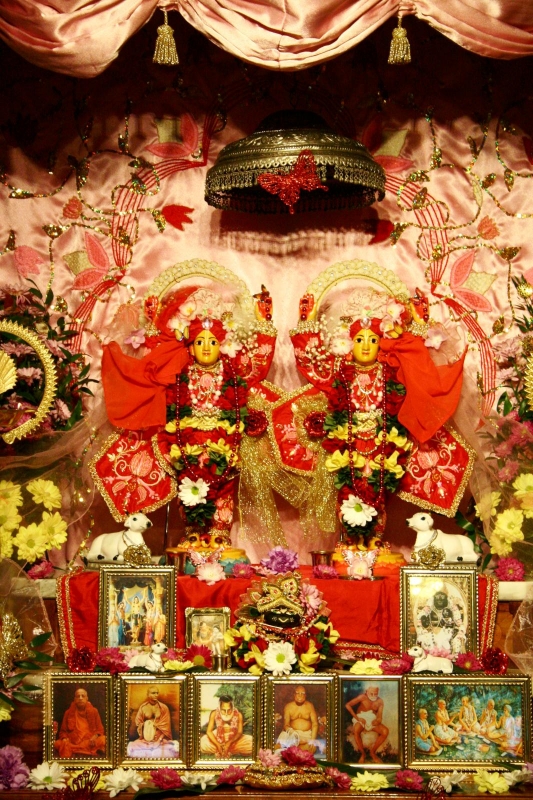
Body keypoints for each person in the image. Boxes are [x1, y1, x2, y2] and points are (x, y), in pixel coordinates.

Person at [100, 285, 277, 539]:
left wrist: (264, 323)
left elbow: (257, 364)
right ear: (190, 348)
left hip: (224, 444)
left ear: (222, 346)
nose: (206, 347)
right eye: (199, 342)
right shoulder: (179, 371)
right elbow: (154, 365)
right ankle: (192, 534)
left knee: (223, 488)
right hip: (187, 444)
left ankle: (220, 536)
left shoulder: (233, 374)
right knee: (189, 487)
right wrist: (153, 323)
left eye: (212, 342)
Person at [291, 287, 465, 546]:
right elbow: (312, 364)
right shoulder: (341, 371)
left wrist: (419, 325)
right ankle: (349, 543)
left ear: (381, 344)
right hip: (348, 444)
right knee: (347, 491)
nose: (365, 346)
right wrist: (306, 323)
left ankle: (375, 542)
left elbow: (418, 368)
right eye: (359, 340)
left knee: (379, 492)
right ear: (349, 343)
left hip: (382, 445)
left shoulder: (391, 370)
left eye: (372, 340)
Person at [54, 687, 106, 759]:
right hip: (72, 742)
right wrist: (65, 738)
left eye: (83, 696)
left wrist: (95, 737)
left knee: (104, 739)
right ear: (75, 699)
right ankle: (80, 749)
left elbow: (100, 729)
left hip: (89, 741)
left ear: (87, 698)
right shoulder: (68, 712)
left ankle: (77, 749)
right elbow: (63, 731)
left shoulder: (94, 711)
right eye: (78, 696)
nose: (80, 698)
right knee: (58, 743)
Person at [127, 687, 179, 758]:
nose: (156, 695)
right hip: (146, 738)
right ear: (148, 694)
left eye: (157, 693)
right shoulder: (143, 707)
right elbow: (138, 722)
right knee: (134, 748)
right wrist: (147, 726)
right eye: (153, 693)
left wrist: (159, 736)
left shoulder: (163, 708)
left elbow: (166, 726)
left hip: (161, 738)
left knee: (168, 751)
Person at [345, 684, 389, 764]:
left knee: (385, 731)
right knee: (356, 730)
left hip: (372, 719)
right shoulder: (362, 697)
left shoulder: (380, 701)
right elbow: (347, 705)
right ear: (366, 691)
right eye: (371, 693)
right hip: (360, 718)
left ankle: (372, 752)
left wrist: (378, 721)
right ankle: (363, 754)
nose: (373, 695)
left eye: (375, 693)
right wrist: (357, 718)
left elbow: (379, 716)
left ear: (378, 692)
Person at [276, 685, 325, 756]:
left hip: (306, 734)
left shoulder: (310, 706)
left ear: (305, 695)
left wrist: (312, 739)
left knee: (311, 748)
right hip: (292, 734)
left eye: (302, 693)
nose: (300, 695)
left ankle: (292, 750)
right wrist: (292, 732)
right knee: (280, 744)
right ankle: (292, 749)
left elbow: (315, 724)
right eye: (298, 693)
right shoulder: (288, 707)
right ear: (294, 695)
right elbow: (286, 724)